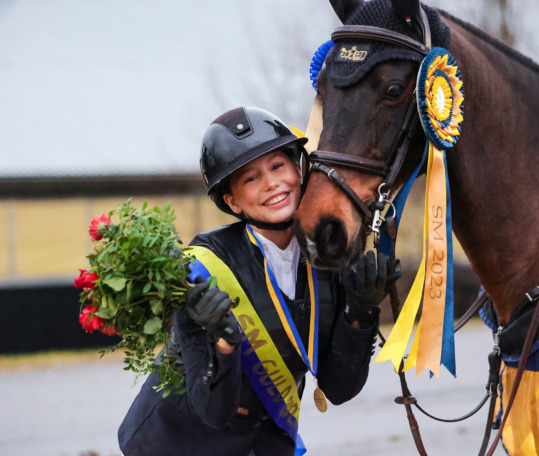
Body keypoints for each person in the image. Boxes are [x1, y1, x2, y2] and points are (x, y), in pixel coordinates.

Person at [118, 106, 398, 456]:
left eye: (278, 166)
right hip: (180, 444)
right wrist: (223, 341)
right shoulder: (201, 269)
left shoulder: (328, 256)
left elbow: (339, 388)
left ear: (298, 170)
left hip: (266, 442)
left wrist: (361, 313)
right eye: (251, 178)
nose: (272, 184)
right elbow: (213, 411)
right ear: (232, 201)